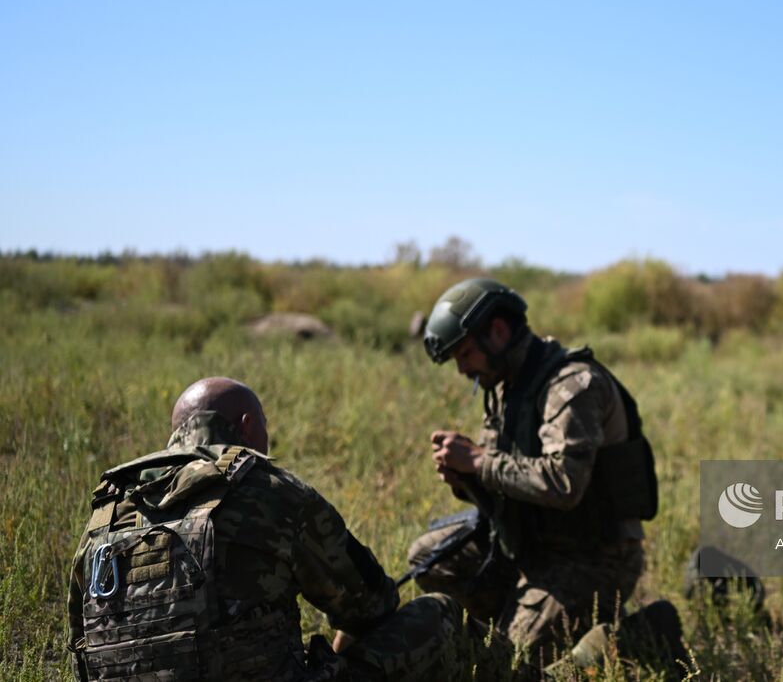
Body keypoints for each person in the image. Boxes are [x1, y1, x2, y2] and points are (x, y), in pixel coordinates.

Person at [67, 377, 464, 681]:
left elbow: (81, 647)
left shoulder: (108, 509)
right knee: (437, 612)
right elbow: (370, 604)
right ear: (248, 427)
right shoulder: (271, 490)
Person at [409, 278, 657, 668]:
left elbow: (564, 484)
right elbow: (505, 479)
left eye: (466, 354)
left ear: (498, 331)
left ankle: (629, 637)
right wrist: (468, 480)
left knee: (512, 663)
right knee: (429, 558)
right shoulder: (509, 387)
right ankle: (518, 618)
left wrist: (477, 463)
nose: (462, 370)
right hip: (532, 544)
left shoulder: (571, 386)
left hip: (592, 557)